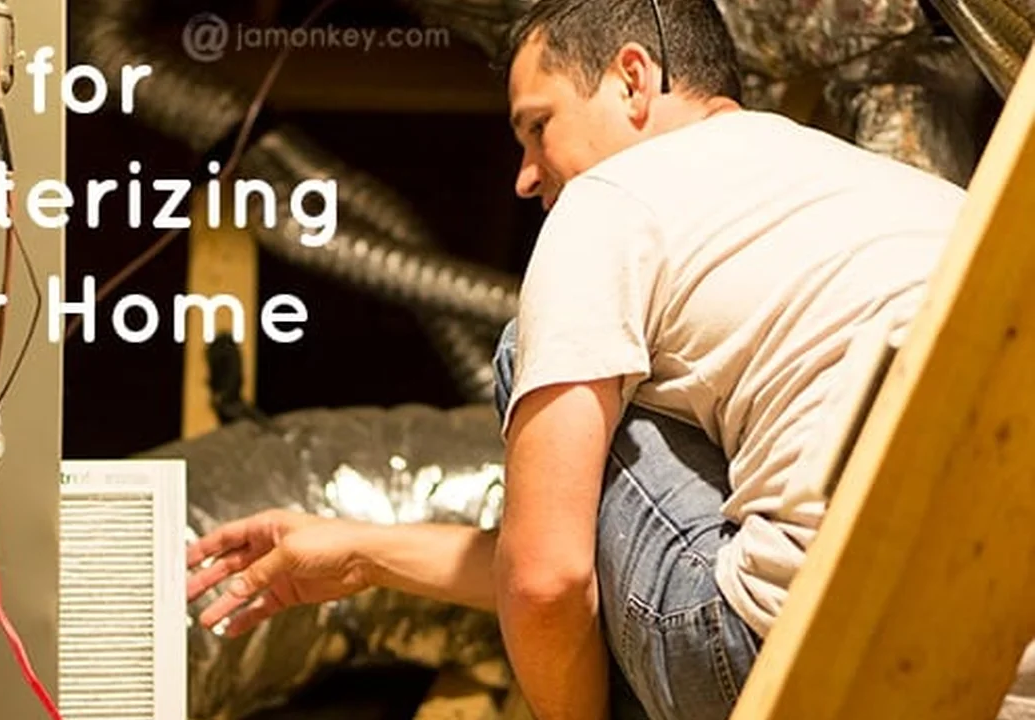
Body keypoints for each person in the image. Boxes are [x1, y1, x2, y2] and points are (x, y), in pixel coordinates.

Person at [185, 0, 967, 717]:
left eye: (537, 126)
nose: (526, 175)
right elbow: (588, 566)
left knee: (526, 354)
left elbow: (550, 578)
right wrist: (361, 555)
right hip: (977, 669)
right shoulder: (894, 190)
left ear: (634, 78)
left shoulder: (615, 197)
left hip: (783, 667)